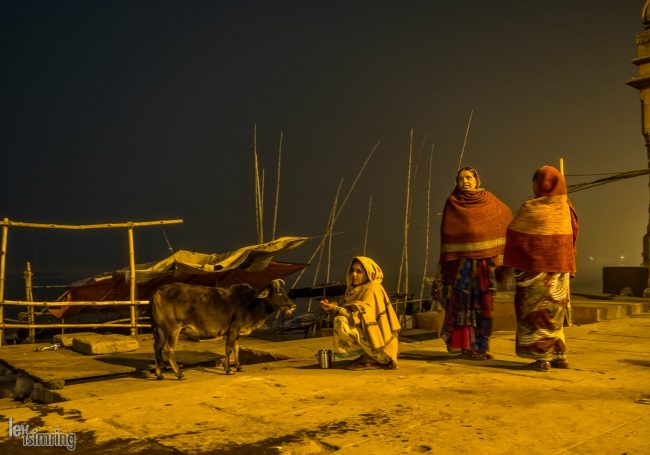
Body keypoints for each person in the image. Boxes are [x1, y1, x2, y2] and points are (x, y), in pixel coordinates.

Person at [503, 165, 579, 371]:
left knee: (536, 314)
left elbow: (515, 235)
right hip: (559, 271)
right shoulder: (567, 207)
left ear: (539, 184)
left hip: (534, 272)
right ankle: (560, 354)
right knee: (554, 314)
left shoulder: (531, 207)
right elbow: (572, 237)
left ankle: (542, 358)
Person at [434, 167, 512, 359]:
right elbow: (448, 234)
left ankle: (480, 347)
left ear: (477, 180)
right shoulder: (452, 203)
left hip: (484, 266)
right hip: (460, 267)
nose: (465, 181)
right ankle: (466, 347)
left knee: (481, 306)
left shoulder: (489, 200)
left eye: (468, 177)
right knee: (462, 308)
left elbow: (505, 216)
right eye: (461, 178)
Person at [320, 256, 401, 370]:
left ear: (369, 273)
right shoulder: (355, 289)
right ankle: (368, 355)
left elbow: (360, 317)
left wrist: (337, 309)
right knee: (341, 320)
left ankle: (378, 358)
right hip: (372, 341)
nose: (354, 274)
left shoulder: (373, 288)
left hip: (383, 349)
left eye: (359, 271)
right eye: (352, 270)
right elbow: (344, 305)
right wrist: (331, 306)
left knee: (340, 321)